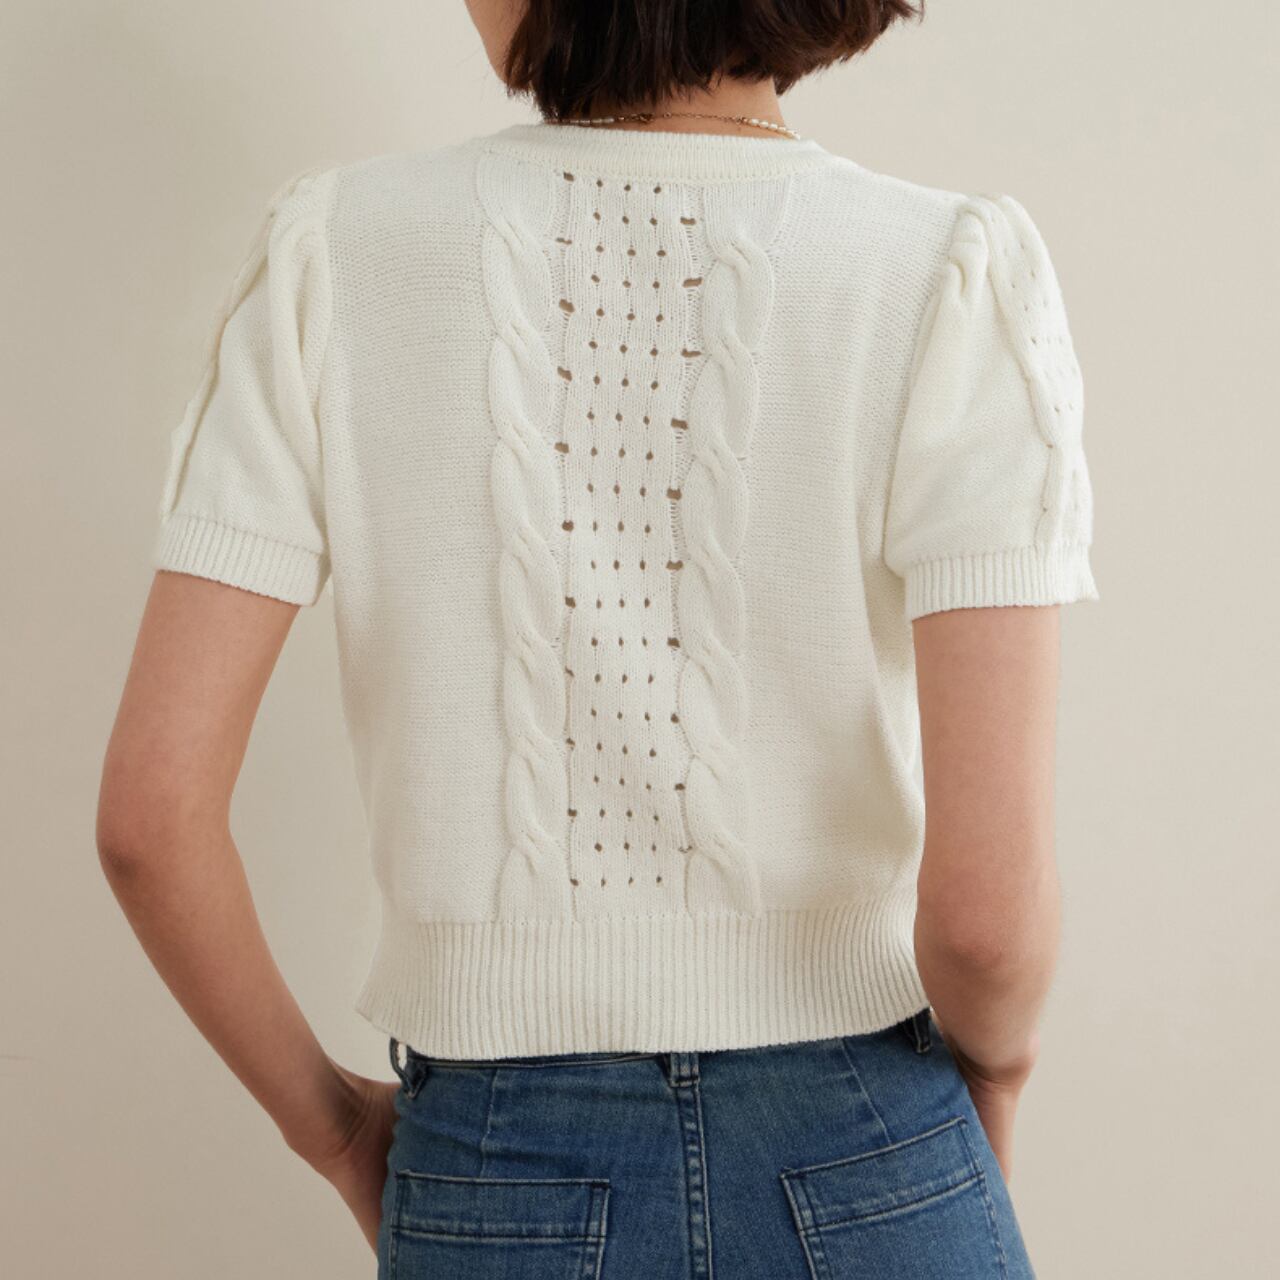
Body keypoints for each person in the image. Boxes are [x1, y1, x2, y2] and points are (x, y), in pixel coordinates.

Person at [96, 0, 1098, 1275]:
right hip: (872, 1140)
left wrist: (338, 1130)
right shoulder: (946, 270)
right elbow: (985, 923)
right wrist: (986, 1086)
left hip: (497, 1162)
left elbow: (150, 817)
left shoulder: (332, 252)